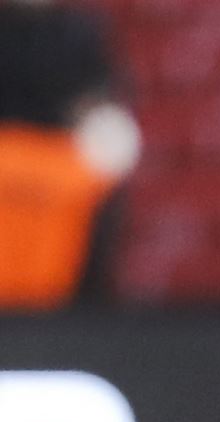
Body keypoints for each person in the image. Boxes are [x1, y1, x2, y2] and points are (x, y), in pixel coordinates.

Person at [0, 0, 136, 308]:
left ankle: (84, 307)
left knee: (110, 147)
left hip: (62, 166)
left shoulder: (79, 31)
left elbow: (98, 98)